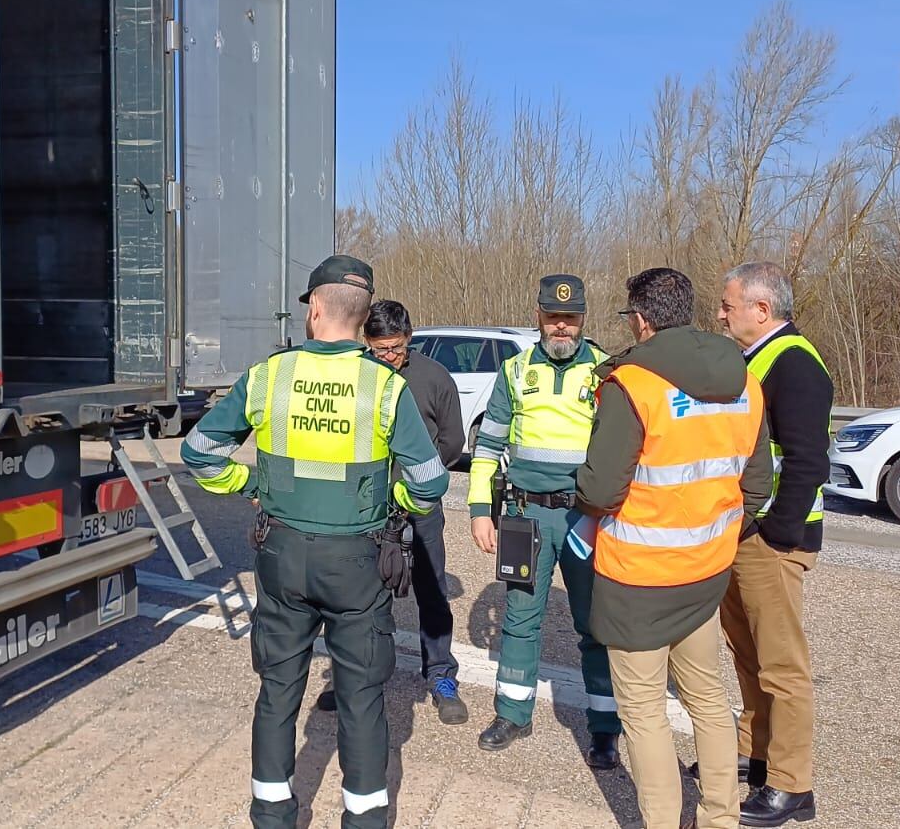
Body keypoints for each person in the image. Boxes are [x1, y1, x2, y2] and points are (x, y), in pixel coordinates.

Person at [182, 254, 450, 829]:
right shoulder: (385, 387)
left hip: (282, 555)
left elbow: (199, 453)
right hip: (357, 560)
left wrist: (251, 482)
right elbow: (430, 482)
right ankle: (364, 818)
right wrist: (391, 507)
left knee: (278, 690)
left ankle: (274, 812)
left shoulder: (269, 376)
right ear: (362, 316)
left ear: (316, 309)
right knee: (361, 699)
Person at [576, 267, 774, 829]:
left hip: (638, 577)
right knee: (708, 701)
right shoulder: (745, 381)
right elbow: (757, 484)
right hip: (706, 572)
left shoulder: (632, 385)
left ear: (640, 320)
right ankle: (720, 819)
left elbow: (601, 489)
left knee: (643, 712)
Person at [468, 274, 623, 769]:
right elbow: (488, 447)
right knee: (519, 619)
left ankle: (605, 729)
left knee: (596, 624)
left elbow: (621, 451)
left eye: (571, 318)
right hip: (524, 514)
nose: (562, 326)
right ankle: (513, 714)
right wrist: (479, 512)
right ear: (538, 315)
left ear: (583, 320)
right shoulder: (513, 372)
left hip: (585, 518)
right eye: (553, 317)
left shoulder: (605, 370)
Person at [714, 261, 833, 827]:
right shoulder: (757, 358)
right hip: (747, 531)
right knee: (748, 652)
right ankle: (753, 751)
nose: (720, 313)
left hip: (773, 537)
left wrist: (777, 530)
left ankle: (791, 786)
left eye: (728, 304)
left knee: (782, 664)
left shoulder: (796, 364)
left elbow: (809, 459)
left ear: (761, 310)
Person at [316, 300, 469, 723]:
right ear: (366, 342)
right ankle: (351, 677)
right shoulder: (355, 378)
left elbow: (453, 444)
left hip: (419, 508)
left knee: (432, 591)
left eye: (395, 349)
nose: (387, 358)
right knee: (360, 595)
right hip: (366, 509)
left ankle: (440, 674)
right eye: (379, 349)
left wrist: (415, 481)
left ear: (410, 339)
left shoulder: (434, 378)